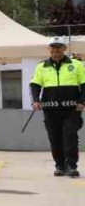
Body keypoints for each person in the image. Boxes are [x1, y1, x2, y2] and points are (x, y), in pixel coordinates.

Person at [30, 37, 84, 178]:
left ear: (64, 49)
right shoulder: (41, 66)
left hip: (72, 110)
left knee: (70, 137)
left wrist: (82, 102)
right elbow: (35, 85)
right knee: (55, 138)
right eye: (53, 48)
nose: (56, 50)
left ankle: (71, 165)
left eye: (59, 47)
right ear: (50, 49)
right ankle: (59, 166)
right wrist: (35, 101)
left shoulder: (76, 64)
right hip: (51, 110)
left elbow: (84, 85)